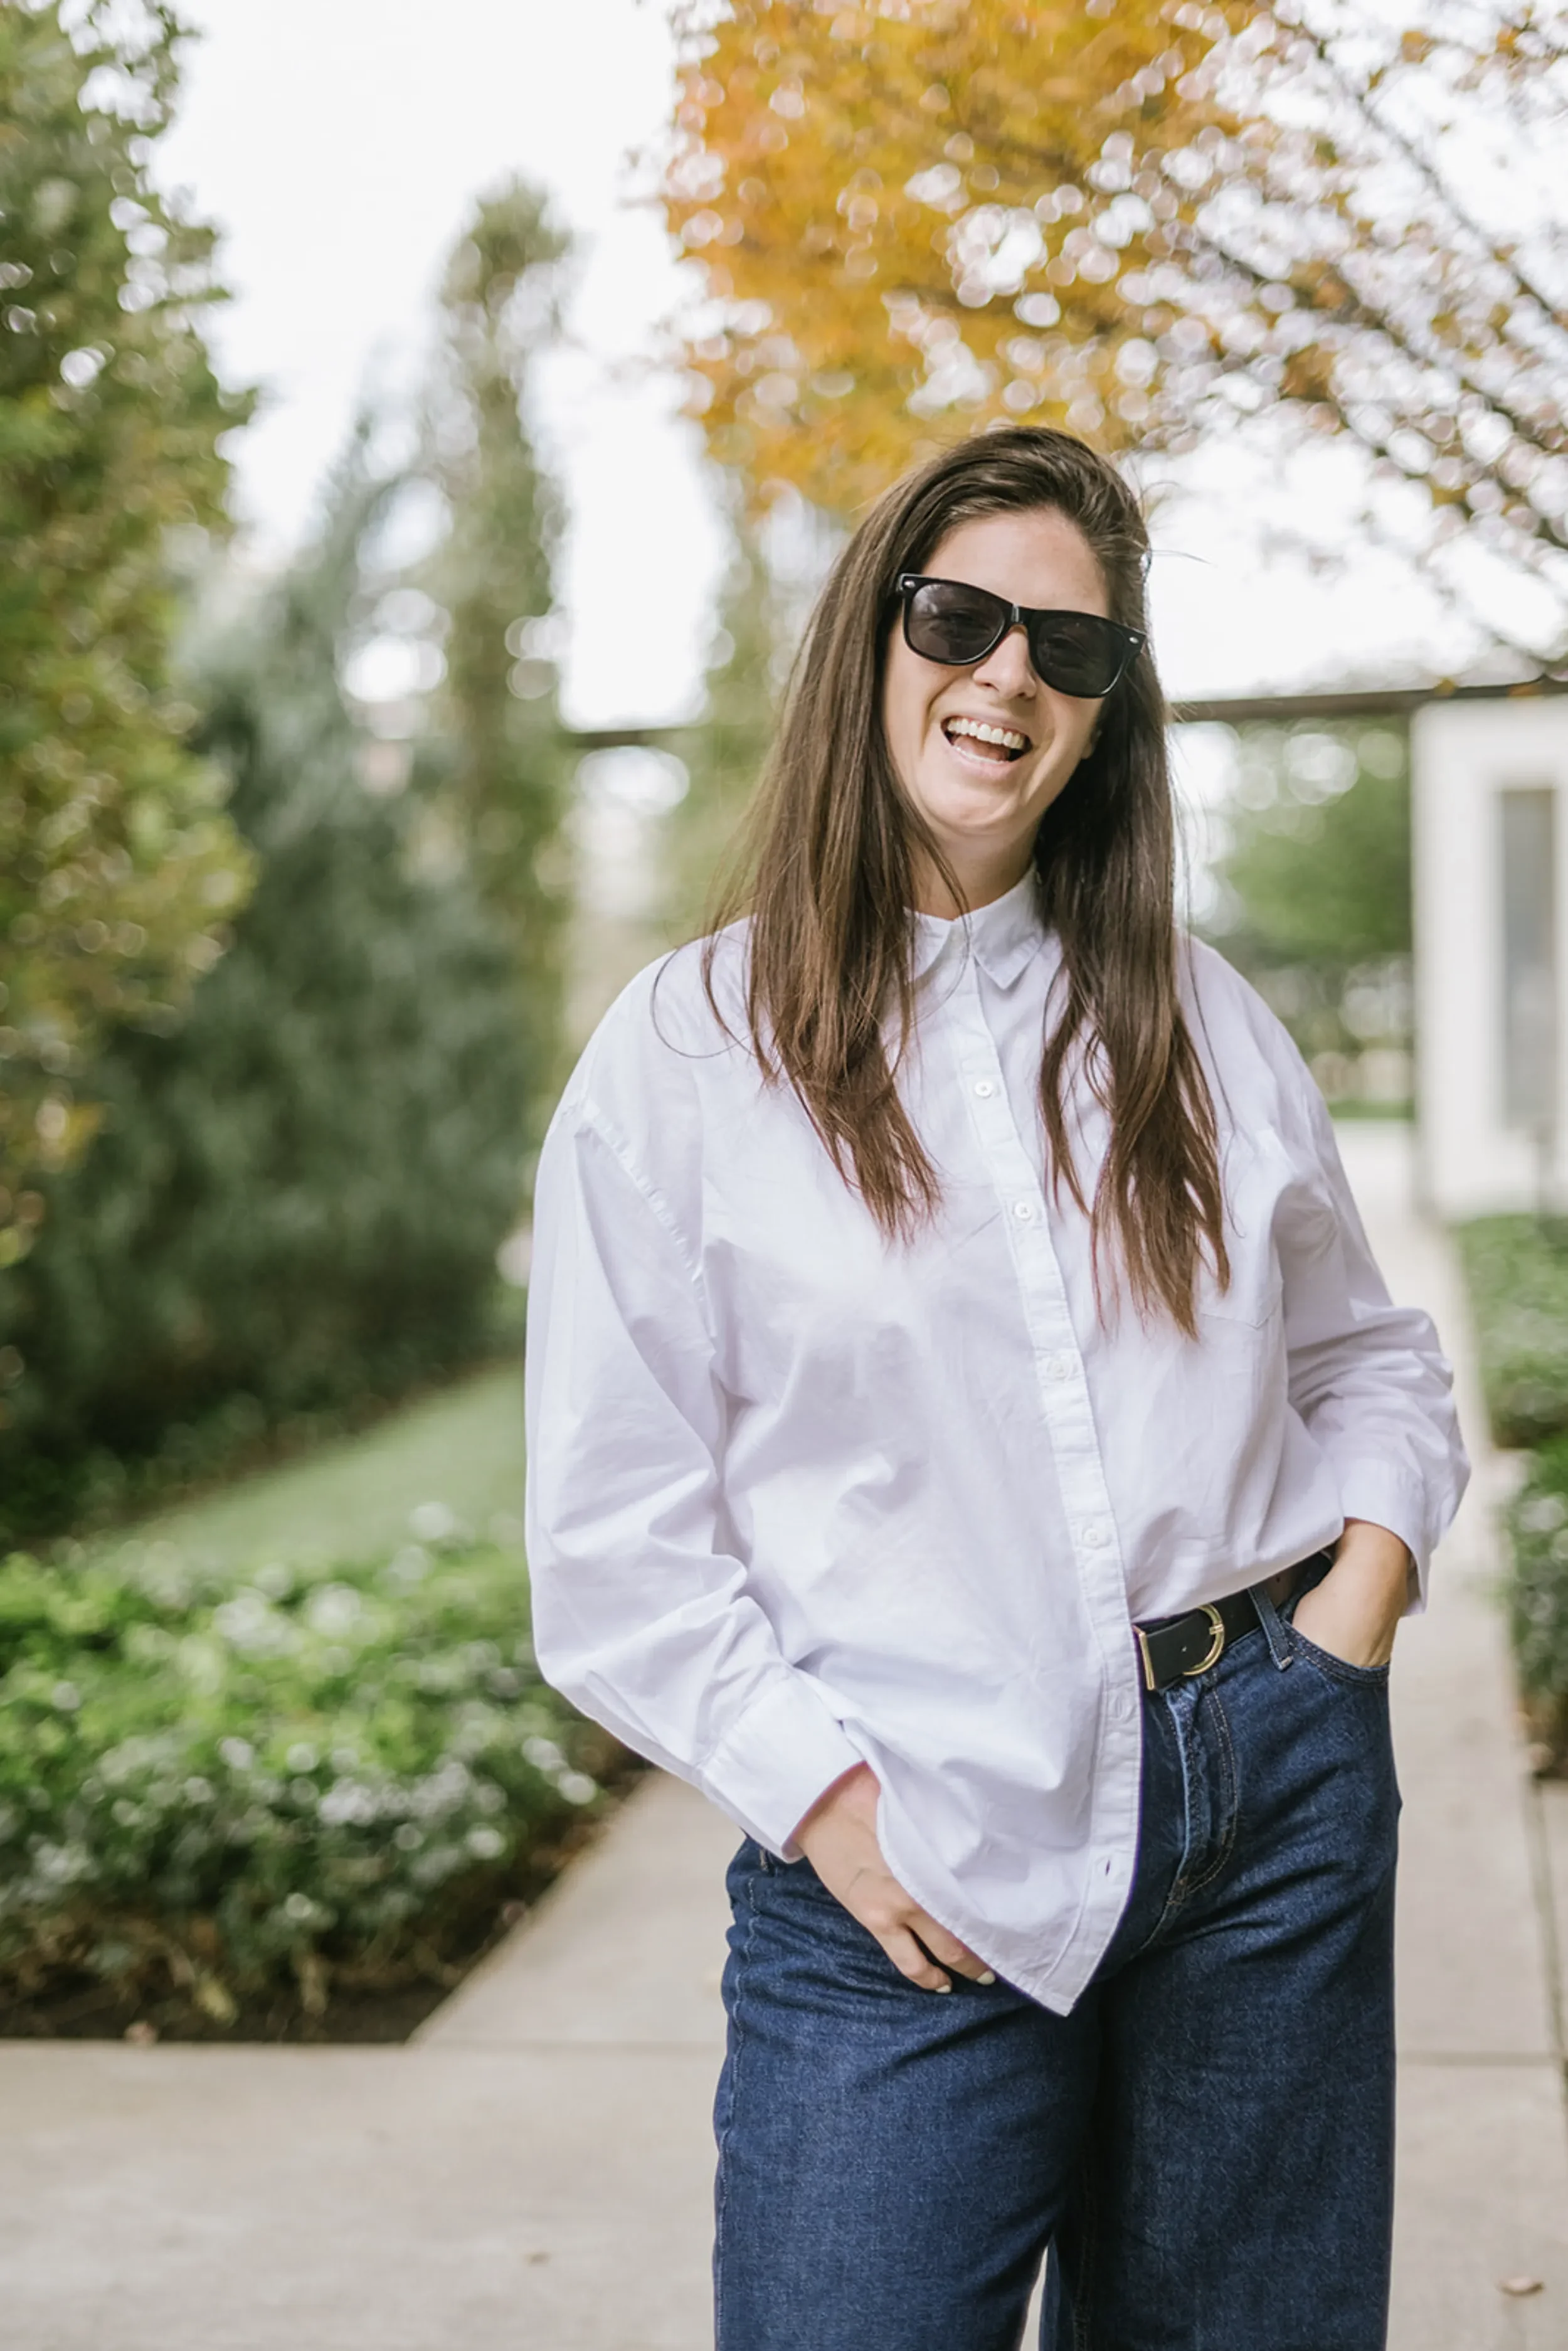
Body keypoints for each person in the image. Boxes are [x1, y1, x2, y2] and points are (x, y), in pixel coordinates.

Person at [523, 427, 1468, 2351]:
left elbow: (1365, 1353)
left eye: (1070, 647)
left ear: (1108, 714)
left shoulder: (1201, 1016)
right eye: (959, 617)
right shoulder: (686, 1055)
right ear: (869, 642)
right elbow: (612, 1538)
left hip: (1263, 1815)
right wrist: (829, 1802)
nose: (1008, 675)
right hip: (909, 1855)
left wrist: (1353, 1613)